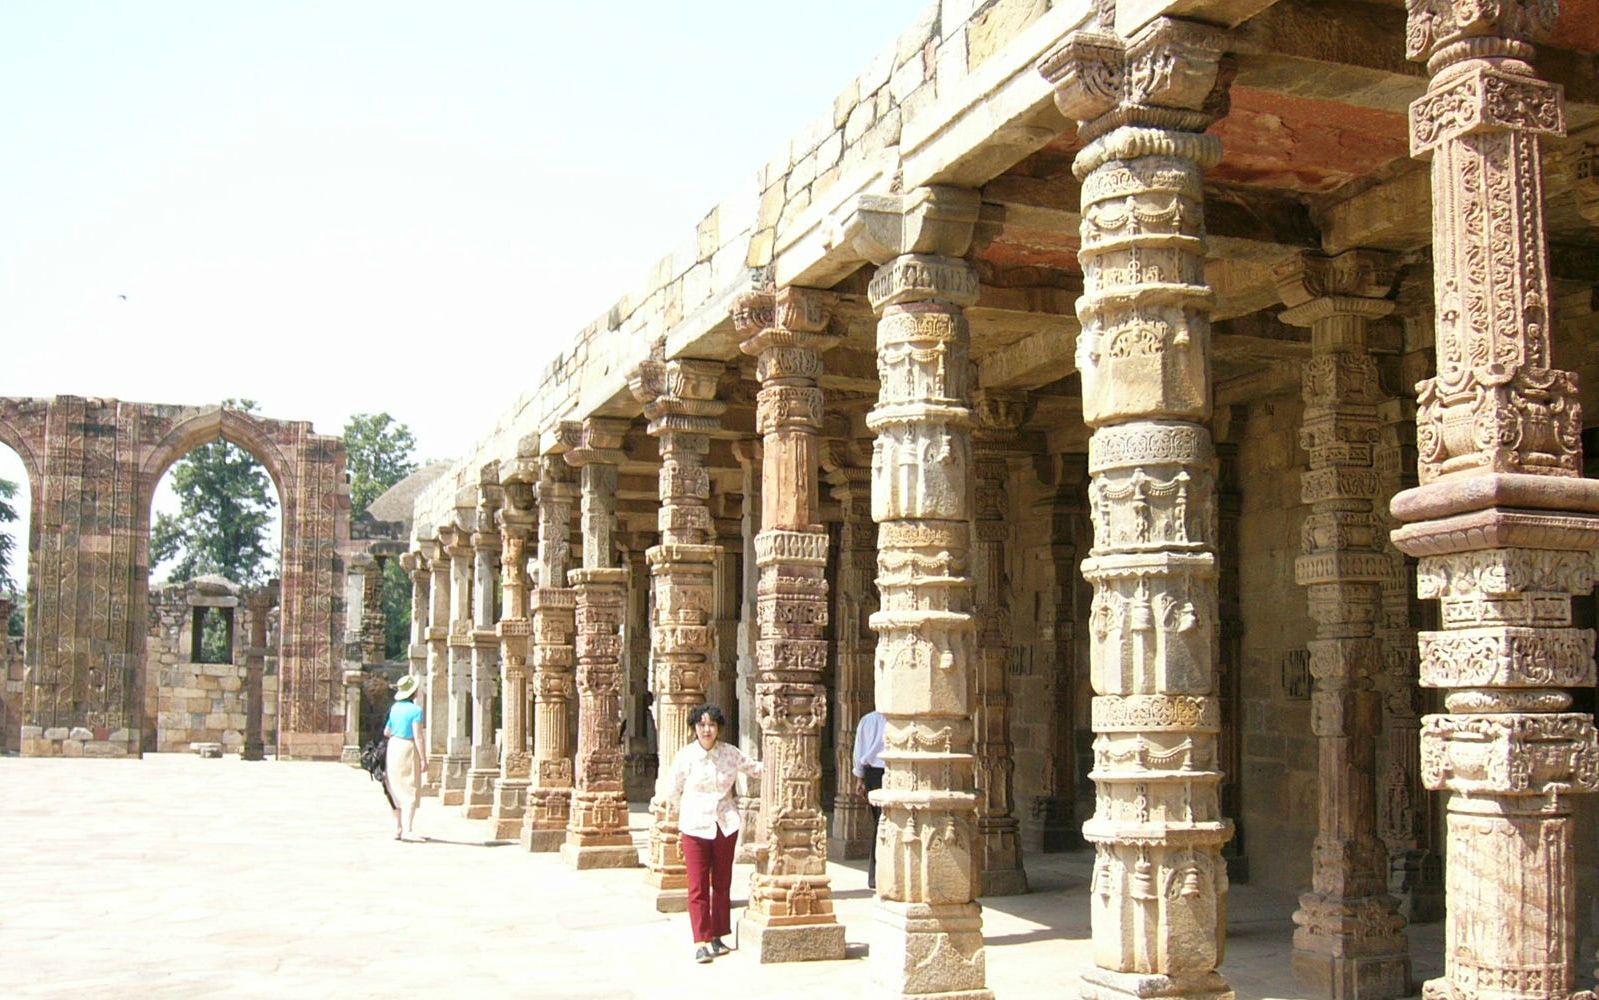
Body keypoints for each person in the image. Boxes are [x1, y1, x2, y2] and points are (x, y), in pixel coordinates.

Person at [668, 702, 762, 964]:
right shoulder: (686, 757)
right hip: (695, 826)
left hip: (724, 824)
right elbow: (673, 790)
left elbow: (755, 768)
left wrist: (784, 761)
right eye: (701, 725)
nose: (706, 730)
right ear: (694, 728)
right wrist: (680, 816)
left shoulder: (729, 753)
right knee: (697, 885)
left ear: (719, 727)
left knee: (721, 882)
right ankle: (701, 940)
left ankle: (719, 935)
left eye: (711, 724)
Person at [384, 675, 428, 840]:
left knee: (394, 788)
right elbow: (418, 736)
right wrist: (423, 759)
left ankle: (398, 828)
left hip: (393, 746)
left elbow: (386, 732)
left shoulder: (394, 708)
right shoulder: (415, 710)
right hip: (407, 747)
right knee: (410, 787)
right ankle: (409, 830)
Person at [852, 706, 886, 890]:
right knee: (886, 822)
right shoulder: (892, 720)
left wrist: (860, 778)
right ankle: (881, 873)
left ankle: (875, 875)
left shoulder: (867, 720)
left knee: (879, 822)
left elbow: (859, 751)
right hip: (890, 770)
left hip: (871, 773)